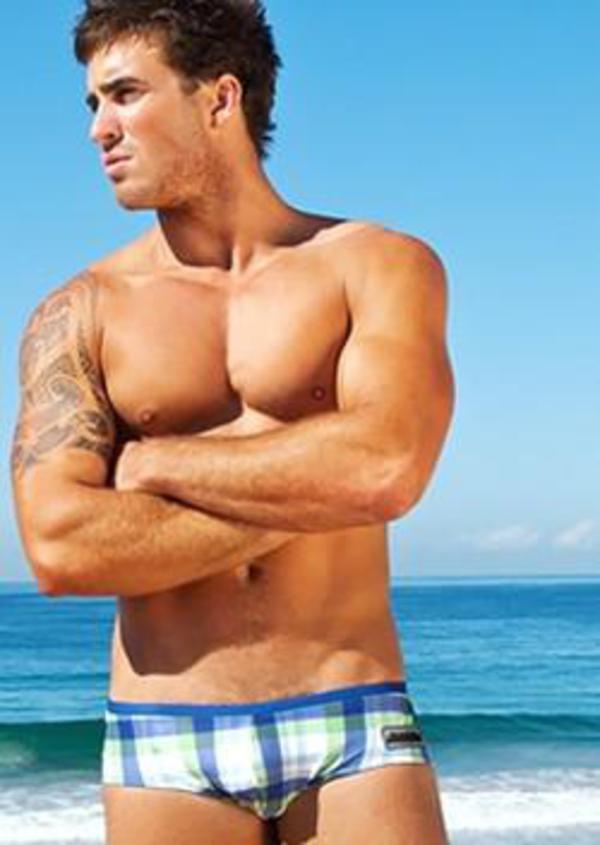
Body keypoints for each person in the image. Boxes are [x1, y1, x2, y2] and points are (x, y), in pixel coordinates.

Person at [11, 1, 455, 843]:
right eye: (93, 103)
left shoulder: (377, 265)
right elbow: (62, 548)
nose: (99, 129)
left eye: (125, 94)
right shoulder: (79, 313)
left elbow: (388, 466)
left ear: (219, 97)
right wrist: (323, 486)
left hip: (351, 716)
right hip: (165, 735)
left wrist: (155, 463)